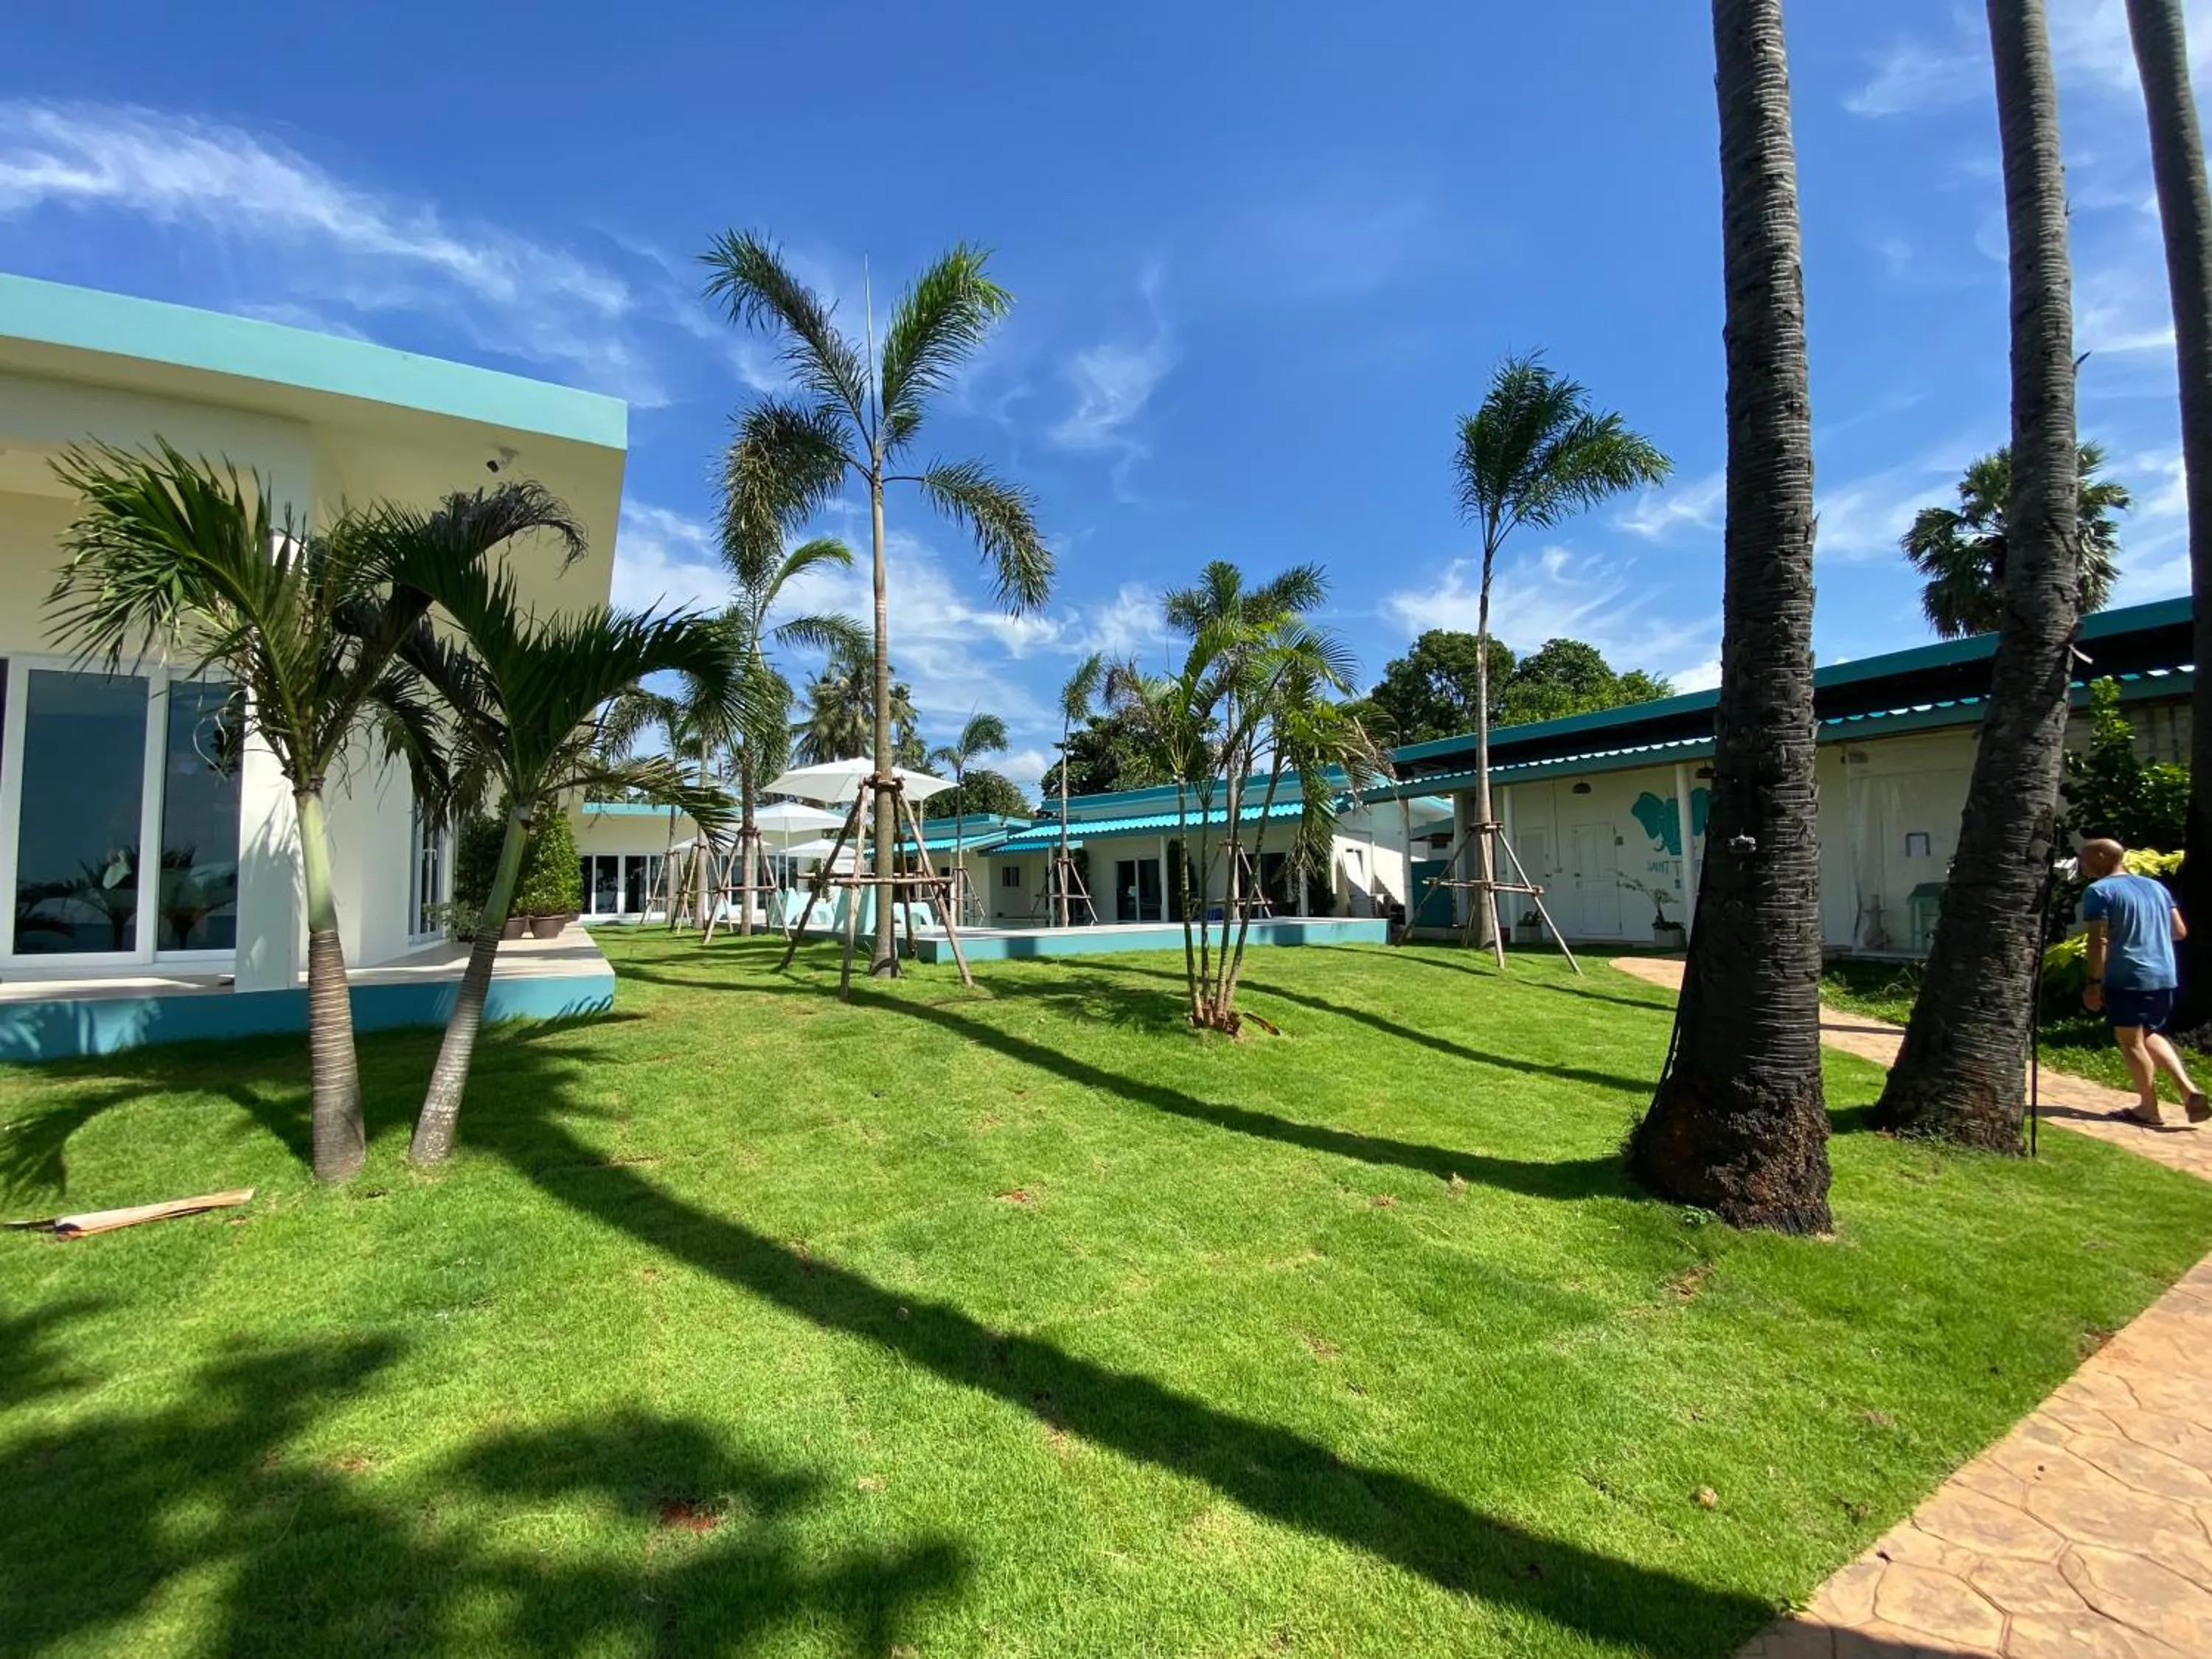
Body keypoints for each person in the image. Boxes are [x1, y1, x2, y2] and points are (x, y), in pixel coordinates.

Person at [2079, 838, 2208, 1127]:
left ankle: (2148, 1109)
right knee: (2148, 1033)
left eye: (2085, 858)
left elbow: (2098, 940)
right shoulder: (2156, 888)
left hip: (2128, 975)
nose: (2082, 864)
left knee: (2130, 1042)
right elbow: (2179, 931)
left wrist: (2093, 982)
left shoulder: (2099, 891)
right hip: (2163, 974)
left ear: (2102, 856)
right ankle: (2189, 1090)